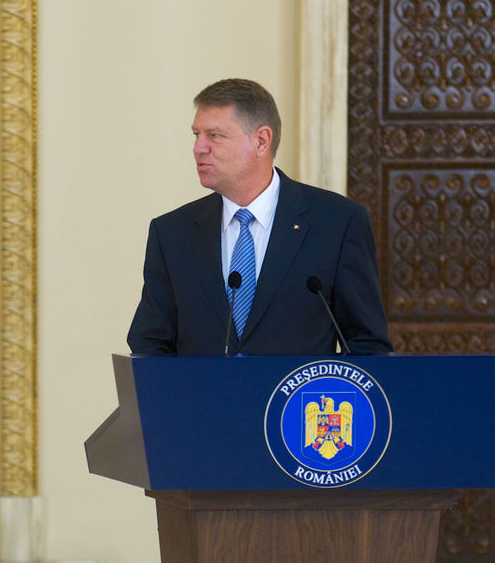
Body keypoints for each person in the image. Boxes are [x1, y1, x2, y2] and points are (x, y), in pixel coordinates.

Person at [128, 78, 391, 356]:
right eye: (197, 135)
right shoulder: (172, 233)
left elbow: (367, 345)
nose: (199, 148)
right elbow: (150, 345)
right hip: (203, 399)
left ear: (261, 141)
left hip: (300, 400)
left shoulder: (338, 223)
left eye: (214, 135)